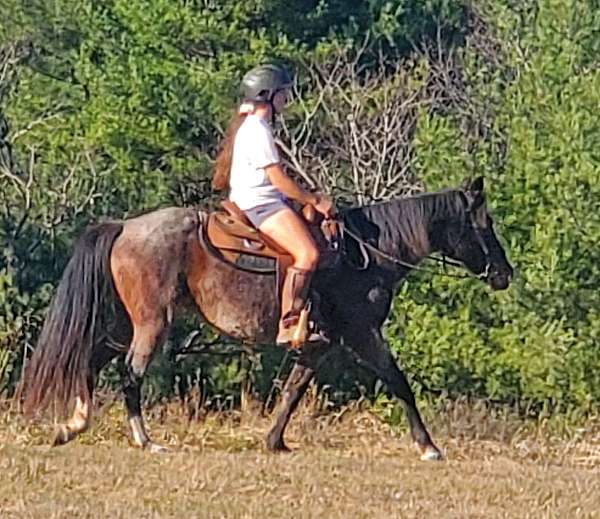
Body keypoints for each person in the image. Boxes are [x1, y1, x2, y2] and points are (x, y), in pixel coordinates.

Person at [212, 64, 334, 345]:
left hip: (260, 200)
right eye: (282, 94)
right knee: (308, 254)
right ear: (268, 95)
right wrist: (314, 199)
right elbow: (277, 179)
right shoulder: (258, 130)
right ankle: (289, 323)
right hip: (261, 204)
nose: (286, 100)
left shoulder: (252, 127)